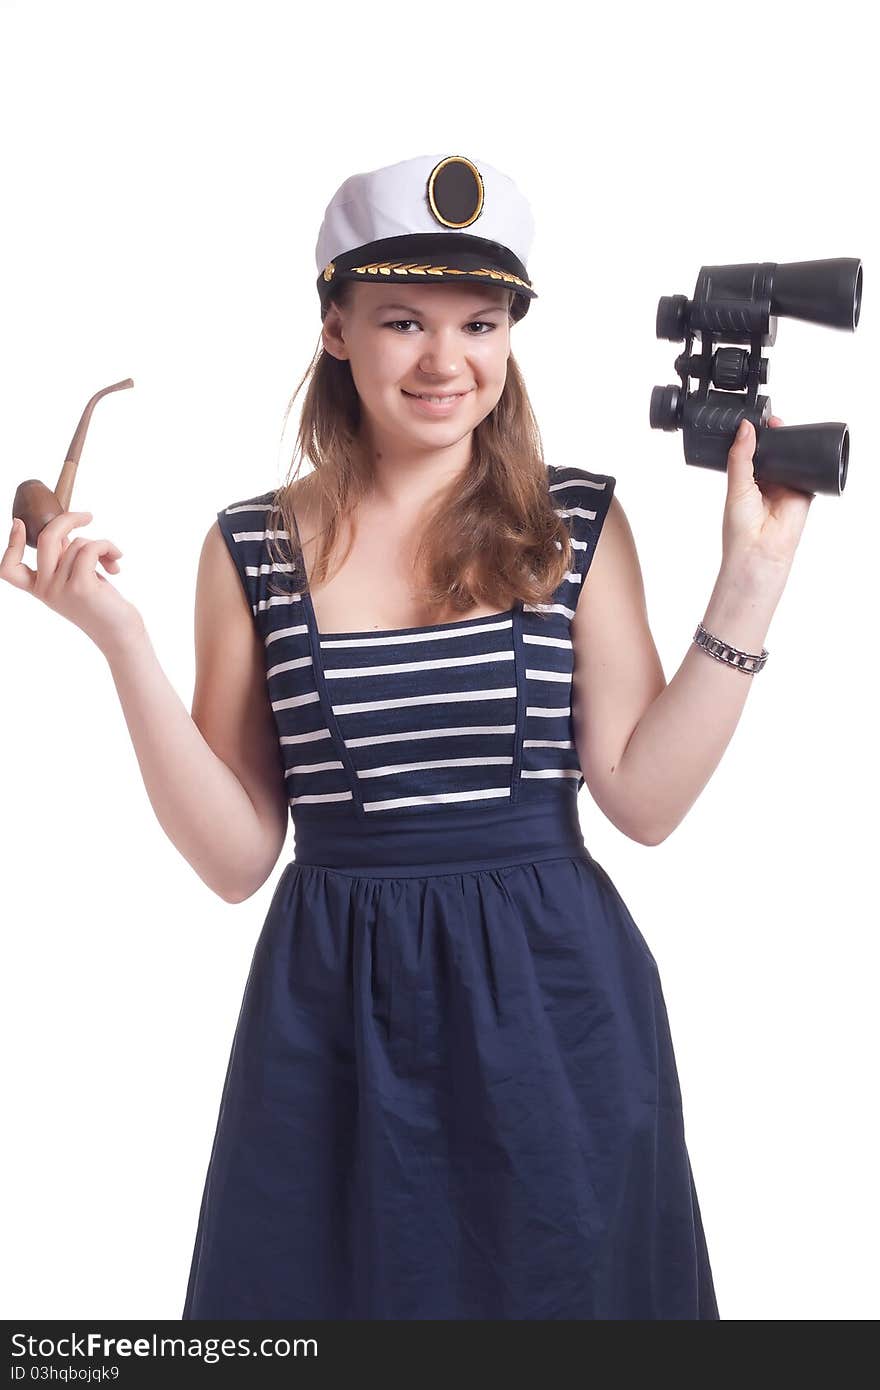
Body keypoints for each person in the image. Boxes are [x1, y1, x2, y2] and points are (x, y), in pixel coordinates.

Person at [2, 152, 812, 1320]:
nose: (446, 361)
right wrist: (118, 641)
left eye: (480, 323)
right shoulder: (252, 547)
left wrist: (751, 579)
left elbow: (642, 798)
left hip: (555, 1007)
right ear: (335, 329)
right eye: (401, 322)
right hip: (331, 1015)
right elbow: (236, 860)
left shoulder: (574, 520)